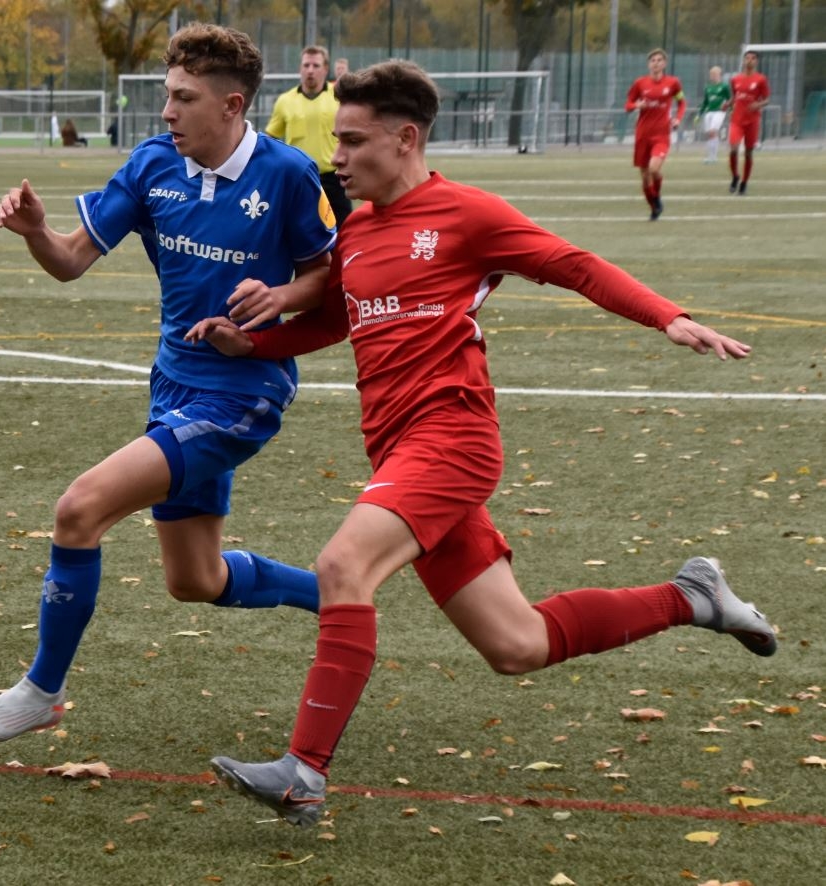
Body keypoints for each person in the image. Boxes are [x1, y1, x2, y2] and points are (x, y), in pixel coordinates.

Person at [184, 59, 776, 826]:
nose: (339, 159)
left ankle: (303, 773)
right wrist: (250, 347)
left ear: (405, 139)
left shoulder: (465, 214)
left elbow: (573, 264)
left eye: (354, 142)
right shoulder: (357, 232)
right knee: (516, 643)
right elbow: (341, 320)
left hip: (451, 438)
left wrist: (668, 315)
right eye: (337, 141)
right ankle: (693, 597)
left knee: (341, 564)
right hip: (398, 452)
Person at [0, 22, 337, 743]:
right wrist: (37, 231)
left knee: (78, 511)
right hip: (173, 386)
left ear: (231, 106)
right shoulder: (154, 164)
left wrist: (279, 298)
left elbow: (327, 278)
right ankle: (337, 596)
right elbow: (70, 260)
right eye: (167, 95)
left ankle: (42, 689)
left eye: (183, 98)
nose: (166, 112)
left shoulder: (286, 175)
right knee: (194, 579)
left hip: (244, 393)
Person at [264, 45, 352, 227]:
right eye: (306, 65)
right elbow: (270, 138)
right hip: (298, 178)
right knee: (296, 233)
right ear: (300, 69)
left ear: (326, 69)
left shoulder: (339, 98)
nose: (310, 70)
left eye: (316, 65)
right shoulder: (285, 101)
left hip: (333, 178)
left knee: (343, 233)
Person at [624, 49, 684, 221]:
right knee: (644, 175)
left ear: (664, 64)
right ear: (648, 64)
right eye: (653, 60)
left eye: (659, 60)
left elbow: (682, 102)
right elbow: (627, 105)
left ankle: (656, 197)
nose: (656, 63)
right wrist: (637, 105)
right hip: (642, 134)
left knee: (654, 169)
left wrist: (677, 119)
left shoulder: (673, 83)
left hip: (661, 134)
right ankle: (654, 207)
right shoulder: (640, 83)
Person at [728, 50, 769, 194]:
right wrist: (728, 104)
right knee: (733, 148)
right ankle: (735, 176)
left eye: (752, 58)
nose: (749, 61)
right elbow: (735, 97)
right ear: (743, 61)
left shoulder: (761, 79)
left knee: (748, 153)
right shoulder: (735, 79)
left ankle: (744, 182)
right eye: (747, 58)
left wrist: (758, 105)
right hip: (737, 120)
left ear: (756, 61)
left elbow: (766, 99)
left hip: (752, 120)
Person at [698, 65, 731, 164]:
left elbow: (730, 99)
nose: (712, 76)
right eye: (711, 74)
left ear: (719, 75)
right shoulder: (708, 87)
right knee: (709, 134)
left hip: (719, 112)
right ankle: (710, 156)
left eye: (714, 74)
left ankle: (714, 157)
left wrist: (730, 109)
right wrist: (699, 113)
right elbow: (705, 102)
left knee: (713, 131)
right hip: (709, 112)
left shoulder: (724, 86)